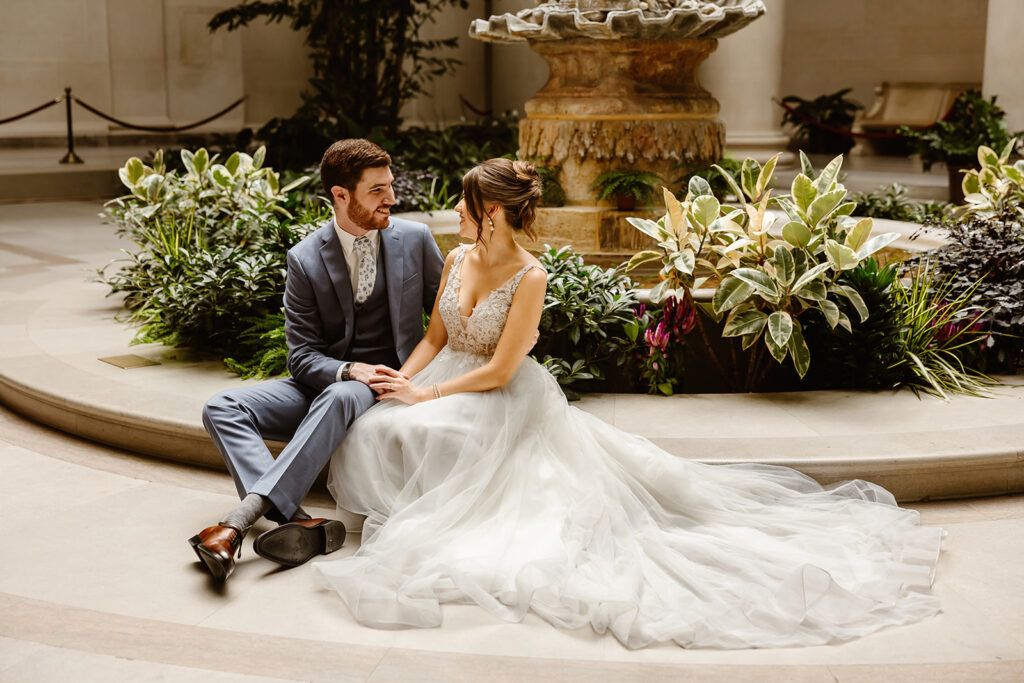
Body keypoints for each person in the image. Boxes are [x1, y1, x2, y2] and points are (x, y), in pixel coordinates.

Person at [313, 158, 944, 649]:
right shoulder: (455, 256)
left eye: (466, 202)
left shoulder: (529, 277)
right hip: (448, 373)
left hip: (499, 393)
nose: (454, 209)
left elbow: (503, 368)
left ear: (494, 214)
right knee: (379, 426)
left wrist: (429, 395)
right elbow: (434, 337)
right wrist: (401, 380)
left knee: (443, 436)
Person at [189, 139, 444, 581]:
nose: (392, 198)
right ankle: (297, 524)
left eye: (390, 186)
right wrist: (347, 369)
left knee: (341, 395)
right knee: (221, 407)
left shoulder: (416, 240)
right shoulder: (306, 258)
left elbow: (447, 319)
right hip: (326, 381)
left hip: (389, 380)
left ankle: (238, 523)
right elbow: (302, 357)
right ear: (341, 196)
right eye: (377, 190)